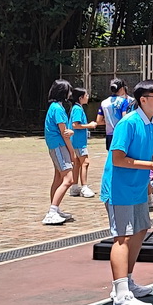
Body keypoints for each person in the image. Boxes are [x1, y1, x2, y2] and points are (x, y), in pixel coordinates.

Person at [101, 79, 153, 305]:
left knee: (140, 231)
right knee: (122, 237)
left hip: (139, 188)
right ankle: (120, 298)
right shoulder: (128, 123)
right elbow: (118, 159)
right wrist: (151, 165)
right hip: (119, 189)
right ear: (143, 100)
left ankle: (127, 282)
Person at [42, 79, 79, 225]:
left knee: (58, 177)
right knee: (68, 179)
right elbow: (64, 133)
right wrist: (72, 152)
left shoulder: (54, 107)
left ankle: (55, 209)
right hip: (59, 145)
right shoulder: (58, 109)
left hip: (55, 145)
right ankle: (52, 212)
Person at [68, 86, 97, 196]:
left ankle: (75, 186)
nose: (88, 97)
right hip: (78, 141)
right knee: (85, 162)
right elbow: (75, 125)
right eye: (86, 95)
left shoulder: (76, 108)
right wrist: (89, 125)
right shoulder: (78, 109)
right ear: (81, 98)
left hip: (75, 140)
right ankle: (84, 187)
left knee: (77, 163)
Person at [97, 79, 130, 151]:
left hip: (109, 135)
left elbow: (98, 121)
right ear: (122, 89)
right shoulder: (123, 101)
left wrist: (108, 121)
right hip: (121, 134)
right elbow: (125, 118)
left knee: (111, 156)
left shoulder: (104, 102)